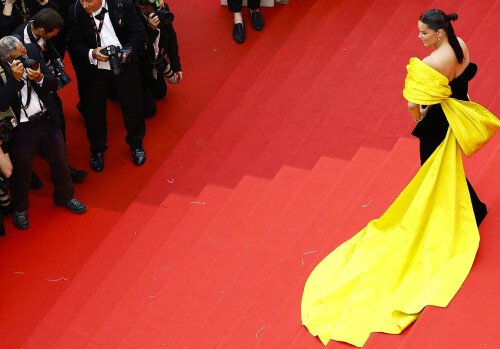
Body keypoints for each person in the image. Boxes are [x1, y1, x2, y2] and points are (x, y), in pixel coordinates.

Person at [301, 10, 500, 347]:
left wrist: (420, 112)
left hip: (437, 123)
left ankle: (466, 211)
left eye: (424, 33)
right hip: (457, 113)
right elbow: (460, 80)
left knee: (432, 173)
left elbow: (415, 104)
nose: (420, 38)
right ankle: (474, 207)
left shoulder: (432, 61)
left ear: (437, 33)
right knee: (448, 167)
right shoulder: (461, 45)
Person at [0, 36, 87, 230]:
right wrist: (14, 81)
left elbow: (53, 83)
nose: (25, 55)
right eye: (19, 55)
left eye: (24, 50)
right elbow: (1, 103)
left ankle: (66, 197)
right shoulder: (1, 69)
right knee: (21, 171)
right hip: (21, 128)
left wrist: (39, 78)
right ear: (6, 59)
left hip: (46, 118)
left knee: (60, 160)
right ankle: (20, 208)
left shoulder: (31, 50)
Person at [66, 0, 147, 172]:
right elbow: (72, 44)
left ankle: (136, 144)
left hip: (125, 66)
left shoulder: (122, 4)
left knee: (133, 107)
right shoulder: (74, 11)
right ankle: (97, 150)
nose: (84, 5)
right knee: (94, 112)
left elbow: (139, 32)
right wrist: (91, 53)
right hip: (93, 72)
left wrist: (128, 49)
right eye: (82, 0)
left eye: (88, 1)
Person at [13, 8, 89, 183]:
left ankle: (62, 168)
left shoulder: (38, 25)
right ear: (41, 31)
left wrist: (45, 67)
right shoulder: (18, 41)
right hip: (24, 94)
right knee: (24, 139)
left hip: (44, 86)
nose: (55, 36)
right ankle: (27, 175)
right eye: (53, 33)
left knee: (58, 121)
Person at [136, 0, 182, 119]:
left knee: (160, 94)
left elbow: (172, 38)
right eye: (156, 3)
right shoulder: (134, 16)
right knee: (148, 111)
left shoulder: (161, 8)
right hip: (138, 67)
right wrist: (150, 30)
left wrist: (176, 66)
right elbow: (138, 50)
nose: (161, 4)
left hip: (154, 61)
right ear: (143, 8)